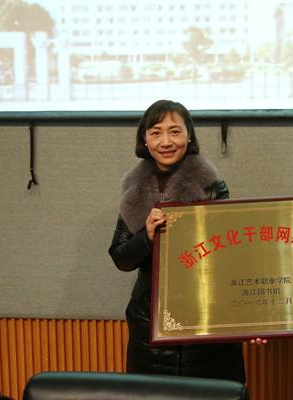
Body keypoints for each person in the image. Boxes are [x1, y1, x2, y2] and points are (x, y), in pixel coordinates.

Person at [108, 100, 261, 382]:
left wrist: (251, 314)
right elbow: (121, 258)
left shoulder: (212, 186)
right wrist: (147, 236)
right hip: (149, 328)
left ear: (189, 136)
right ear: (144, 139)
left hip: (208, 325)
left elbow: (229, 257)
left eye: (175, 131)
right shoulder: (134, 190)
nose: (166, 141)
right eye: (156, 132)